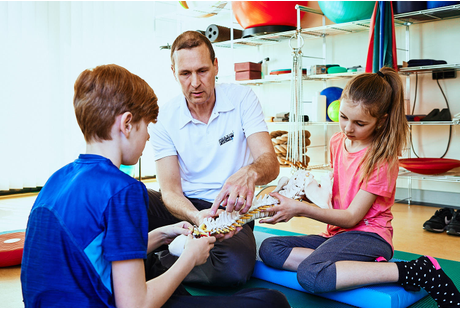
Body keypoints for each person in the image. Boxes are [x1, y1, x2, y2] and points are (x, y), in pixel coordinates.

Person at [20, 64, 290, 308]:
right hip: (115, 303)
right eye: (145, 125)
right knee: (270, 301)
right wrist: (189, 259)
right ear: (127, 124)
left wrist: (164, 234)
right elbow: (134, 306)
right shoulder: (123, 190)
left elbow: (97, 256)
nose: (148, 135)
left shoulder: (58, 178)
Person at [258, 67, 460, 308]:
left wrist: (300, 209)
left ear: (381, 120)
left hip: (369, 236)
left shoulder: (381, 159)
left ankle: (414, 270)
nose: (348, 128)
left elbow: (352, 217)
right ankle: (352, 267)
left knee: (311, 275)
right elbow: (337, 198)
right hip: (337, 235)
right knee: (271, 248)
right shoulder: (337, 142)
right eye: (343, 117)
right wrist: (304, 192)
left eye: (360, 123)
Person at [147, 30, 279, 286]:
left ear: (216, 66)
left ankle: (154, 263)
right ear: (173, 71)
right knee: (128, 199)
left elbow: (270, 163)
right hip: (183, 208)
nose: (195, 82)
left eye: (202, 71)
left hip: (228, 211)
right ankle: (172, 250)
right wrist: (197, 217)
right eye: (185, 74)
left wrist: (250, 172)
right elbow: (171, 191)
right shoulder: (165, 117)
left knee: (233, 269)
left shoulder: (242, 99)